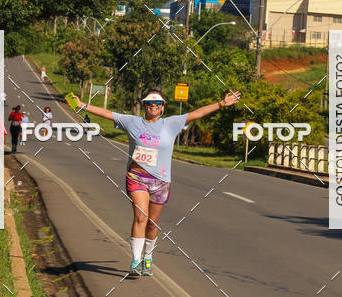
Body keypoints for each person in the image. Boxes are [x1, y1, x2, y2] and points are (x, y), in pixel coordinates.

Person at [72, 87, 241, 276]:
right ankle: (136, 260)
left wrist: (221, 104)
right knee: (140, 217)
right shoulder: (132, 122)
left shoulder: (171, 124)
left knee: (152, 223)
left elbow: (197, 113)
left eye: (158, 103)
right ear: (144, 105)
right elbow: (107, 114)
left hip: (160, 181)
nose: (154, 105)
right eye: (150, 102)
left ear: (162, 107)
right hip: (137, 178)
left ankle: (148, 257)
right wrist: (82, 105)